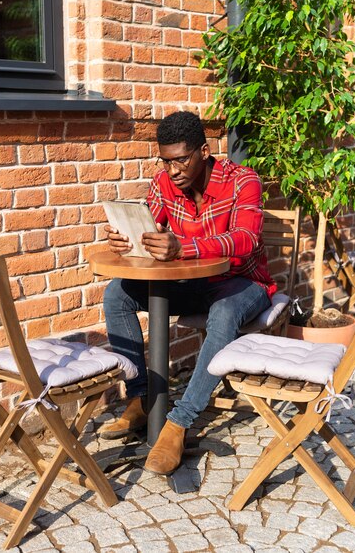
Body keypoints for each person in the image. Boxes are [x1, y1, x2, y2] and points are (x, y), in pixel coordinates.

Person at [99, 111, 276, 475]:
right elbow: (151, 220)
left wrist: (184, 248)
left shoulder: (243, 180)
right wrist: (127, 237)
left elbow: (245, 240)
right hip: (193, 284)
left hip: (244, 283)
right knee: (117, 293)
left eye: (181, 159)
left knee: (224, 313)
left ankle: (178, 424)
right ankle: (141, 398)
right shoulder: (164, 181)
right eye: (166, 160)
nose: (173, 169)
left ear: (205, 151)